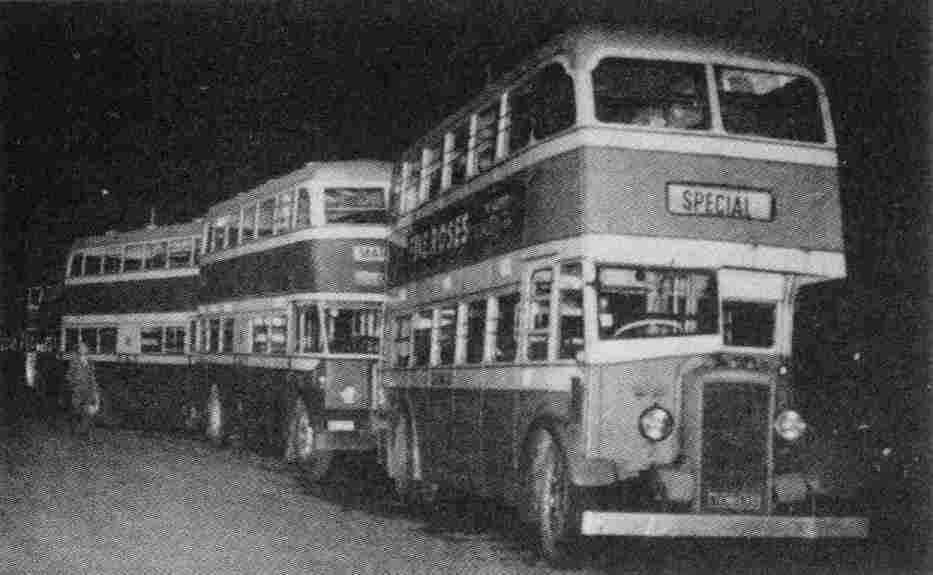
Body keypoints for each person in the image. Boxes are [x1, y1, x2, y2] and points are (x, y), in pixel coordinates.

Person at [66, 342, 99, 437]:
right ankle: (73, 430)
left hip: (88, 389)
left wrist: (94, 389)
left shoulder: (90, 361)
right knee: (76, 410)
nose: (84, 349)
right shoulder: (74, 361)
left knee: (87, 411)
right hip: (77, 389)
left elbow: (92, 376)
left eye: (85, 348)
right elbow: (69, 375)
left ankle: (85, 432)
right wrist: (73, 384)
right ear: (79, 350)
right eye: (82, 348)